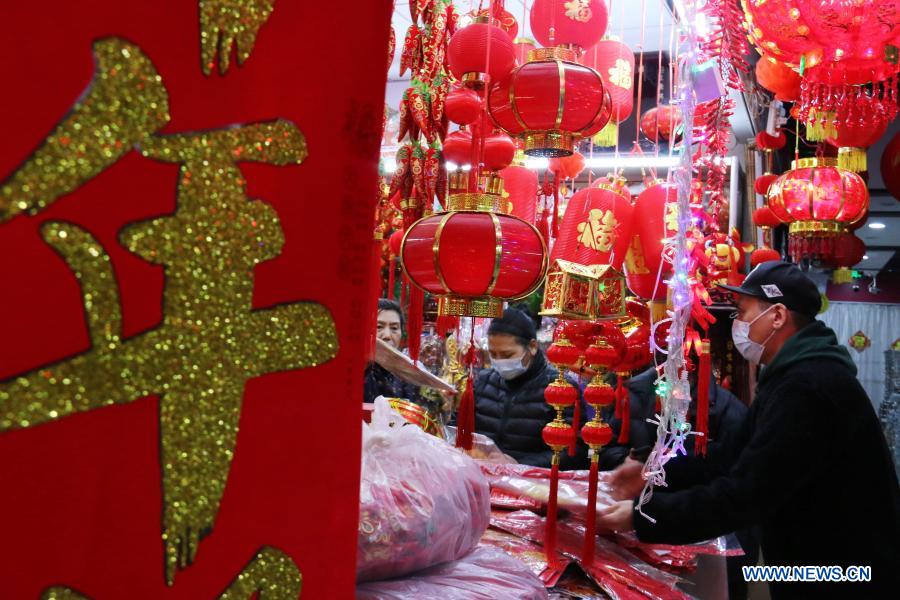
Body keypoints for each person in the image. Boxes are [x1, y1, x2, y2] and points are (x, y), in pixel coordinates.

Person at [598, 261, 900, 599]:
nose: (737, 324)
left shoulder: (808, 385)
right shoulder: (790, 375)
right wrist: (653, 472)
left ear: (777, 315)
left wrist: (644, 516)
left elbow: (747, 493)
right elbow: (733, 454)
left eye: (742, 312)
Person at [473, 308, 589, 469]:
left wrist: (518, 464)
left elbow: (575, 452)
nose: (499, 361)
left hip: (533, 485)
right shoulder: (483, 381)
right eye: (493, 354)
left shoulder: (561, 389)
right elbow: (460, 430)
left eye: (507, 355)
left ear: (532, 347)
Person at [363, 299, 423, 405]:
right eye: (379, 327)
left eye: (394, 328)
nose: (387, 335)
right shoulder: (354, 369)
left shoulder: (409, 373)